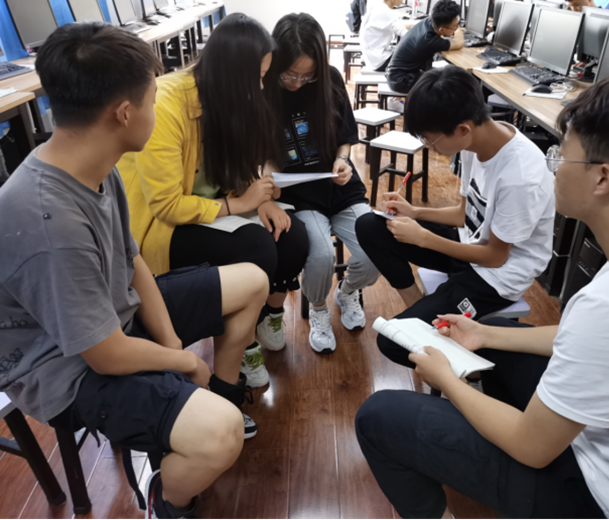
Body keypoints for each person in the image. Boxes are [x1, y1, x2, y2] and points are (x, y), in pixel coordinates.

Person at [356, 71, 609, 519]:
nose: (553, 168)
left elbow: (532, 447)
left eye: (561, 156)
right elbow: (580, 336)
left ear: (602, 179)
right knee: (494, 336)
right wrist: (486, 334)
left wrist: (449, 382)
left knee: (378, 416)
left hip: (604, 497)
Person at [0, 23, 270, 520]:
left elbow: (132, 261)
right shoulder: (47, 219)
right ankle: (167, 498)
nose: (157, 107)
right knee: (221, 434)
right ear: (124, 113)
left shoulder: (96, 163)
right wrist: (185, 363)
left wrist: (171, 345)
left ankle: (211, 401)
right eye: (151, 98)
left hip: (113, 325)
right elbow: (105, 355)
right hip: (68, 372)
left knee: (253, 279)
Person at [118, 14, 310, 388]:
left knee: (291, 236)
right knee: (256, 248)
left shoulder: (229, 96)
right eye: (256, 77)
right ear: (230, 74)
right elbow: (167, 206)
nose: (259, 87)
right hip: (162, 228)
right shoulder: (166, 104)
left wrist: (262, 198)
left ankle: (259, 322)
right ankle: (240, 350)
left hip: (217, 206)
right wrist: (240, 205)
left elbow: (243, 162)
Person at [357, 67, 554, 366]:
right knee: (371, 226)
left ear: (462, 129)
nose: (430, 147)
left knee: (393, 342)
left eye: (430, 141)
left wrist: (424, 238)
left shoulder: (520, 176)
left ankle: (476, 368)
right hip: (469, 246)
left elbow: (495, 257)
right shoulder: (474, 142)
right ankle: (419, 307)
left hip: (497, 276)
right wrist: (415, 212)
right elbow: (465, 214)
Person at [267, 13, 380, 354]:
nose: (297, 83)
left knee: (375, 250)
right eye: (290, 74)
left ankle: (347, 292)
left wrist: (343, 159)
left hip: (339, 183)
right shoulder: (264, 89)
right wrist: (270, 178)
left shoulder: (329, 79)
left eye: (307, 75)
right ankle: (318, 309)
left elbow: (345, 137)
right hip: (299, 194)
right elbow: (261, 150)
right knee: (319, 256)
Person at [385, 0, 464, 94]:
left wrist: (452, 26)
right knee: (446, 84)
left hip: (397, 74)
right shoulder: (429, 40)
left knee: (444, 75)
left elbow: (443, 36)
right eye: (454, 26)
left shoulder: (428, 22)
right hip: (401, 81)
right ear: (442, 29)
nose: (455, 29)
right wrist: (458, 28)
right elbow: (459, 43)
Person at [360, 0, 410, 72]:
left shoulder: (379, 7)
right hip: (380, 61)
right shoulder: (385, 11)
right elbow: (406, 34)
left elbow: (396, 26)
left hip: (373, 58)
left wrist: (414, 26)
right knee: (416, 59)